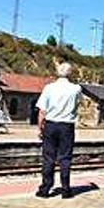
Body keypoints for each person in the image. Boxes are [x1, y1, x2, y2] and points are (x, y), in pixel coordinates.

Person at [35, 62, 82, 199]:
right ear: (70, 73)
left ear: (57, 72)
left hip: (50, 125)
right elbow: (78, 104)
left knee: (48, 158)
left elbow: (42, 110)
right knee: (65, 158)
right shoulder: (76, 89)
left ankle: (45, 189)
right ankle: (66, 190)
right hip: (67, 126)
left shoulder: (49, 88)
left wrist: (40, 128)